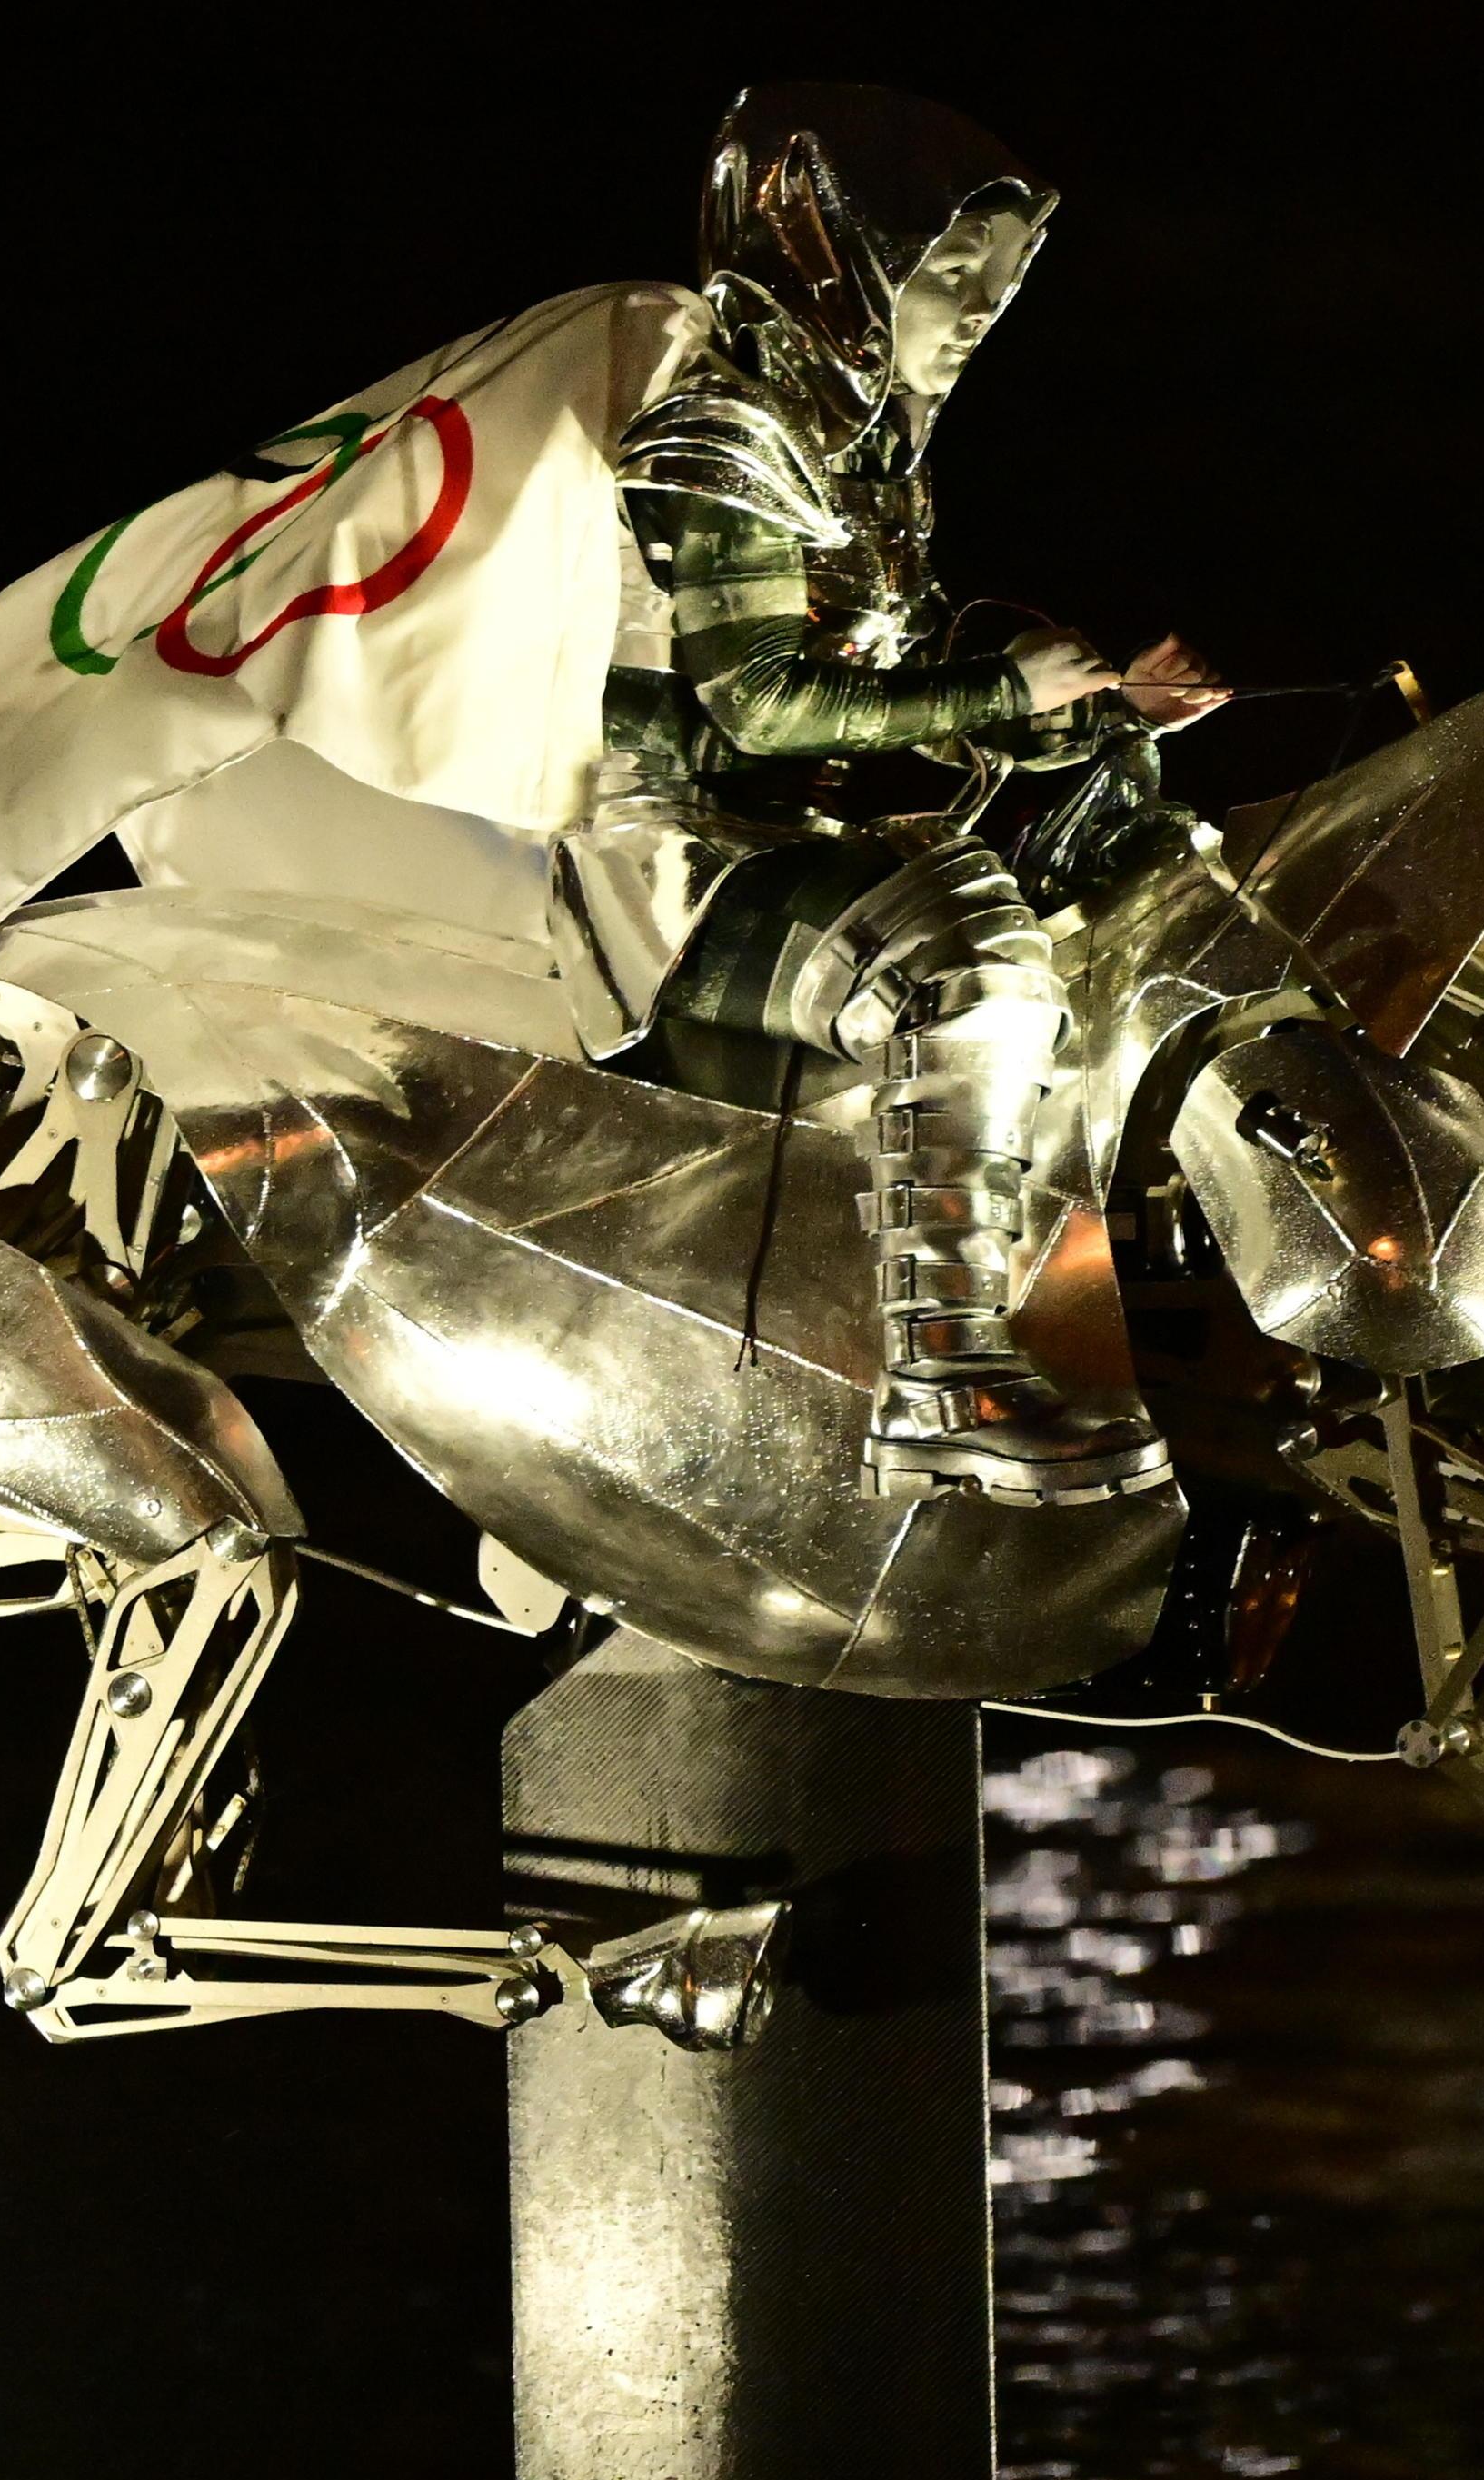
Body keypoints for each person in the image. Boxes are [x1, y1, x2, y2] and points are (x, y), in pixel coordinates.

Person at [590, 85, 1226, 1508]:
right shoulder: (726, 434)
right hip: (655, 861)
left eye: (1003, 277)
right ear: (838, 261)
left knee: (1107, 898)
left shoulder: (868, 459)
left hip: (781, 839)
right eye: (949, 268)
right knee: (971, 954)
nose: (982, 306)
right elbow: (761, 704)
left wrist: (1097, 713)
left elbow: (908, 682)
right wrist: (1006, 691)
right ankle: (945, 1376)